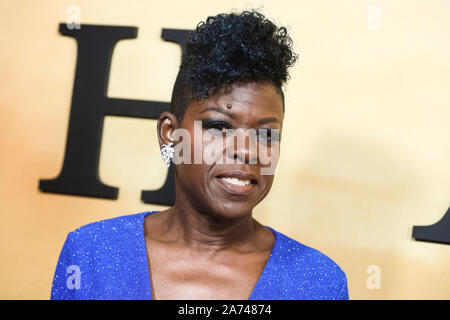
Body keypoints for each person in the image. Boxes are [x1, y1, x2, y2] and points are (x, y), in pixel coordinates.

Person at [51, 10, 348, 300]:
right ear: (170, 133)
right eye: (219, 126)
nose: (246, 151)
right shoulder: (92, 253)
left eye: (265, 134)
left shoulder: (318, 283)